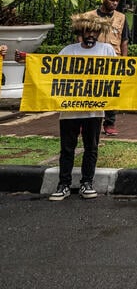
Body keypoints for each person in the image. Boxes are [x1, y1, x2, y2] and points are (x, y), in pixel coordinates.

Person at [19, 15, 115, 200]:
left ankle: (87, 183)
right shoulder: (68, 51)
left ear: (99, 33)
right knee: (67, 148)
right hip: (69, 110)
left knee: (91, 147)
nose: (91, 35)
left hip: (94, 109)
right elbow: (49, 71)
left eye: (95, 31)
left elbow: (119, 73)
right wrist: (27, 61)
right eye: (88, 31)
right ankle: (63, 184)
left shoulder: (107, 50)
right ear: (81, 31)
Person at [77, 0, 127, 136]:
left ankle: (110, 123)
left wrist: (123, 61)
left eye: (117, 1)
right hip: (92, 60)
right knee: (88, 91)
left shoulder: (121, 17)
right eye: (112, 0)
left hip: (112, 59)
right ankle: (83, 122)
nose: (115, 3)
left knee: (110, 92)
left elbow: (124, 40)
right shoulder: (88, 16)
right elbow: (80, 36)